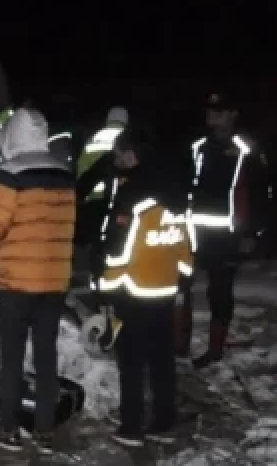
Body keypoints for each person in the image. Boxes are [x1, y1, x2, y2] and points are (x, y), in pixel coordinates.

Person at [0, 107, 76, 454]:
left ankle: (8, 427)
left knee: (12, 356)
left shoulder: (11, 173)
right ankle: (45, 429)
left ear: (12, 137)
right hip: (54, 279)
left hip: (17, 281)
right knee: (46, 354)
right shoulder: (64, 172)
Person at [93, 125, 192, 447]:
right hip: (164, 290)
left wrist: (105, 287)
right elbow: (185, 247)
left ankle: (131, 426)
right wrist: (179, 281)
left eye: (119, 154)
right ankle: (164, 422)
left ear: (131, 154)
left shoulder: (132, 195)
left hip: (132, 291)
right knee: (162, 359)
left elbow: (120, 252)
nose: (116, 160)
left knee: (131, 361)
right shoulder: (174, 196)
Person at [179, 93, 267, 367]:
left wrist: (253, 232)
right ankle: (178, 345)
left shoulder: (246, 150)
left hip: (227, 235)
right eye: (209, 111)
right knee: (181, 288)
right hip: (192, 232)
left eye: (219, 112)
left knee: (219, 293)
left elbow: (261, 193)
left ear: (232, 115)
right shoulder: (197, 147)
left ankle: (215, 348)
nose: (212, 117)